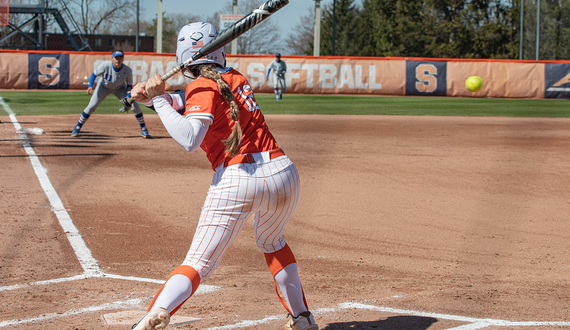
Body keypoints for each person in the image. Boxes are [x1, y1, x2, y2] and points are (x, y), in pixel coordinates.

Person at [129, 22, 318, 330]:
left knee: (198, 263)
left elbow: (190, 138)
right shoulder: (235, 78)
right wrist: (154, 98)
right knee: (272, 241)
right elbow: (191, 99)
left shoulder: (200, 87)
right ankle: (303, 318)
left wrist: (159, 101)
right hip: (282, 173)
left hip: (238, 178)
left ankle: (153, 316)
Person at [70, 50, 150, 138]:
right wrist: (90, 85)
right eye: (116, 58)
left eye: (120, 58)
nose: (117, 60)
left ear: (123, 59)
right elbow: (94, 74)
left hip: (119, 88)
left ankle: (144, 129)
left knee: (135, 106)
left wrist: (127, 97)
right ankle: (77, 127)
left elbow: (129, 85)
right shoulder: (105, 65)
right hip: (103, 86)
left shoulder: (127, 70)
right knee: (91, 106)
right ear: (112, 58)